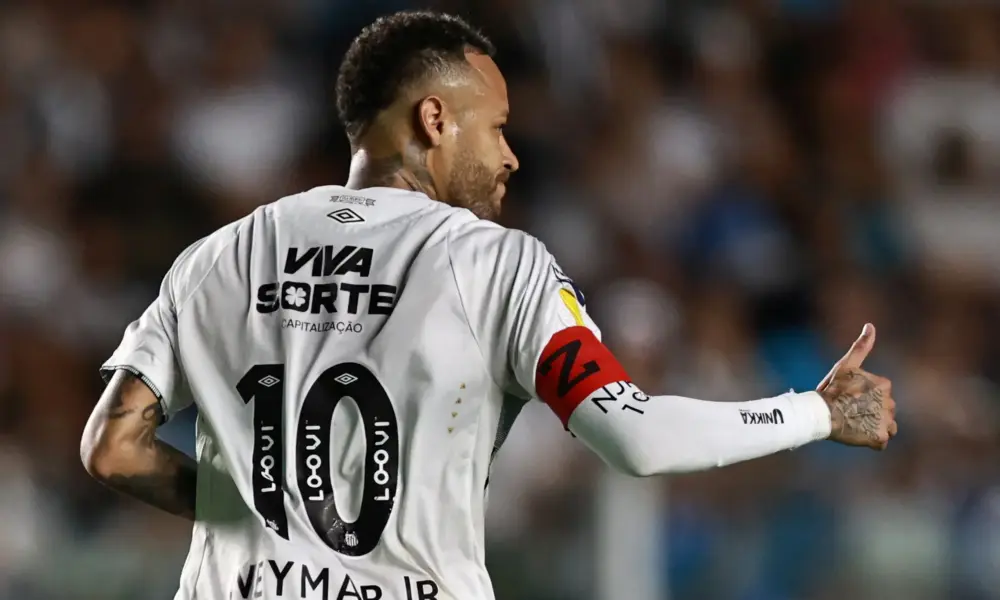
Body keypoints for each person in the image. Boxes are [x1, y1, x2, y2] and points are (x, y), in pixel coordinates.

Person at [80, 10, 897, 600]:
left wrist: (253, 515)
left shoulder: (221, 254)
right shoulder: (496, 264)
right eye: (497, 127)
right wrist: (816, 414)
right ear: (434, 119)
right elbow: (637, 438)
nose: (510, 154)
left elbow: (112, 447)